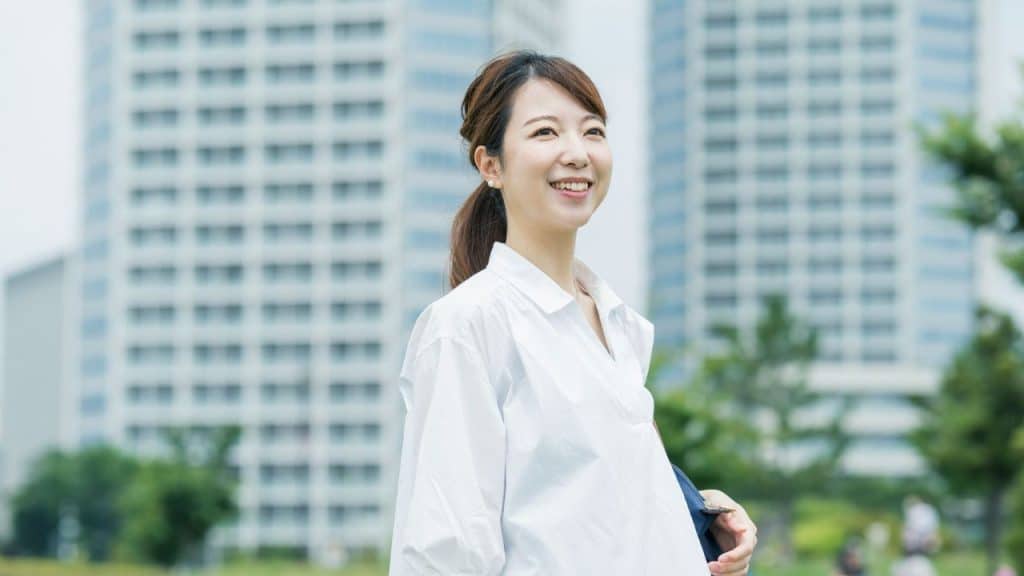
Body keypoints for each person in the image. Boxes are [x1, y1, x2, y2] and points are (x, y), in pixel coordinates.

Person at [388, 50, 757, 575]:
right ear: (491, 165)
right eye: (544, 133)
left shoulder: (616, 324)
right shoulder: (469, 325)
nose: (577, 153)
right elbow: (447, 550)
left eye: (592, 131)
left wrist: (701, 511)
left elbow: (589, 508)